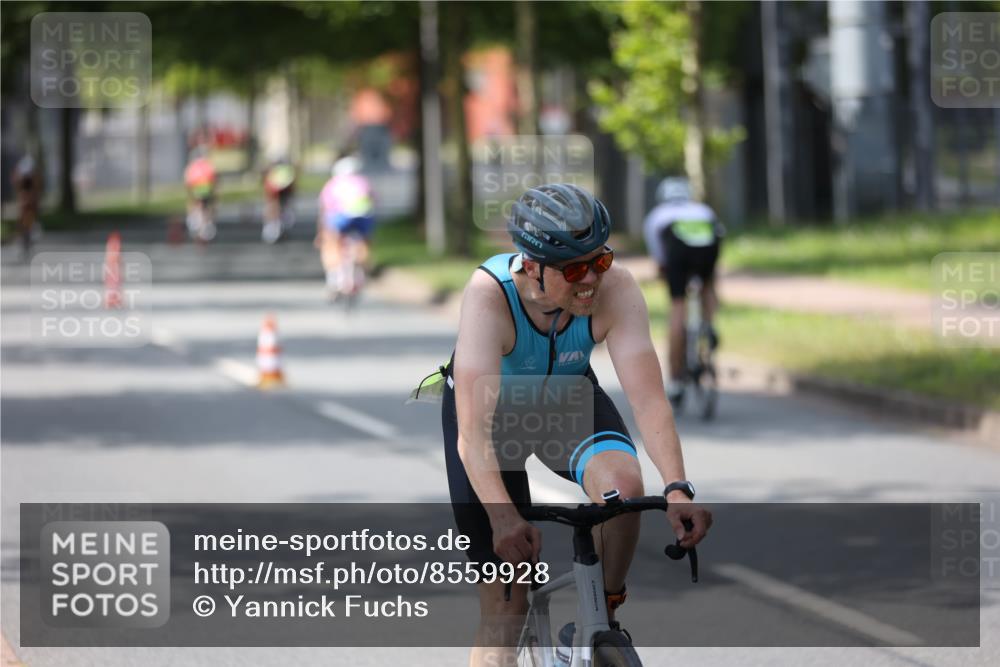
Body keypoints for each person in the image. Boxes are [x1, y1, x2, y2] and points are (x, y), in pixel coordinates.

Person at [441, 183, 712, 666]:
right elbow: (473, 435)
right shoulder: (489, 296)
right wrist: (504, 517)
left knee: (625, 490)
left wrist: (676, 487)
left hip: (566, 400)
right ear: (530, 267)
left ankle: (597, 617)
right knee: (508, 604)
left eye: (600, 261)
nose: (590, 280)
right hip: (491, 422)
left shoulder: (617, 289)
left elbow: (648, 401)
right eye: (572, 269)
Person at [642, 177, 723, 408]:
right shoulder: (704, 210)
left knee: (678, 304)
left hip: (677, 248)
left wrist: (665, 273)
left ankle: (676, 379)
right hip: (708, 247)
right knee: (707, 283)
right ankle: (709, 324)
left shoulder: (657, 216)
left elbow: (659, 257)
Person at [315, 156, 375, 300]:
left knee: (331, 242)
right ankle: (363, 269)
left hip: (340, 219)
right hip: (363, 219)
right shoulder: (364, 182)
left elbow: (324, 209)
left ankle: (333, 279)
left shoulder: (333, 184)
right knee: (364, 243)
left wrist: (321, 232)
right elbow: (374, 201)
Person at [11, 154, 42, 260]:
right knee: (22, 218)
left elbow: (35, 185)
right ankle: (22, 237)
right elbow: (18, 184)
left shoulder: (31, 175)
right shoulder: (22, 175)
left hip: (30, 198)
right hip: (25, 198)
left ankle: (31, 231)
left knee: (31, 216)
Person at [183, 149, 217, 243]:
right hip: (205, 187)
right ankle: (203, 224)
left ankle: (197, 222)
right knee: (205, 206)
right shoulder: (207, 165)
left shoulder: (193, 166)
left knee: (199, 205)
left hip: (198, 187)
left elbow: (188, 180)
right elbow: (214, 177)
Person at [261, 157, 297, 244]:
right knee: (273, 206)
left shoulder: (286, 171)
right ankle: (272, 227)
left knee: (281, 206)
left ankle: (279, 224)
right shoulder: (272, 172)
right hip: (274, 190)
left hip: (284, 190)